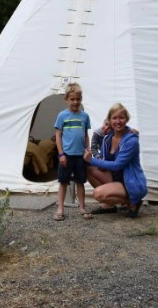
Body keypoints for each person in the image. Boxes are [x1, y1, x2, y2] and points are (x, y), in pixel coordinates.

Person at [84, 102, 147, 218]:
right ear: (109, 120)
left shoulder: (131, 141)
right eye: (114, 118)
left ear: (127, 119)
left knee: (97, 194)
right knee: (88, 169)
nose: (118, 121)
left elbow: (117, 165)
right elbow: (103, 161)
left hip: (131, 182)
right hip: (115, 177)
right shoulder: (108, 138)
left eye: (121, 118)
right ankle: (109, 206)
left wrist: (92, 160)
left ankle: (133, 202)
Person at [53, 83, 92, 221]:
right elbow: (58, 135)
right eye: (72, 99)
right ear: (66, 99)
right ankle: (60, 208)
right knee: (63, 182)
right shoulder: (62, 116)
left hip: (80, 155)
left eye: (78, 99)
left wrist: (88, 149)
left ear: (81, 99)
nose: (75, 102)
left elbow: (85, 134)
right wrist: (61, 154)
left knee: (80, 181)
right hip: (67, 155)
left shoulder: (84, 116)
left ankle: (82, 207)